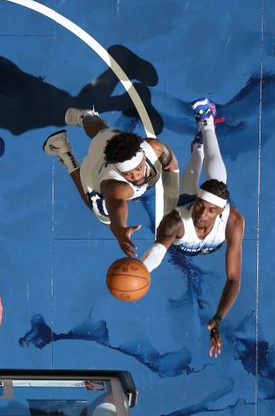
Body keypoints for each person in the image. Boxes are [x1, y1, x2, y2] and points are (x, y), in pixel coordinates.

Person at [139, 99, 244, 358]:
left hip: (206, 243)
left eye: (211, 210)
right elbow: (159, 248)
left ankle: (202, 135)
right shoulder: (178, 218)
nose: (202, 214)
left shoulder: (232, 222)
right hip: (183, 219)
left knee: (209, 172)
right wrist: (141, 269)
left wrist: (218, 317)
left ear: (221, 210)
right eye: (201, 206)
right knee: (194, 177)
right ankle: (202, 136)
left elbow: (233, 279)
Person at [43, 108, 180, 257]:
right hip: (93, 173)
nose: (135, 176)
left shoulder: (156, 148)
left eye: (139, 168)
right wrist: (119, 230)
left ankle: (85, 116)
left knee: (102, 132)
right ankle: (66, 154)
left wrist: (173, 203)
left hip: (107, 144)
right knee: (100, 213)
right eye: (128, 173)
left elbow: (171, 167)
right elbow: (116, 206)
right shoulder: (115, 187)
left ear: (144, 154)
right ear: (119, 170)